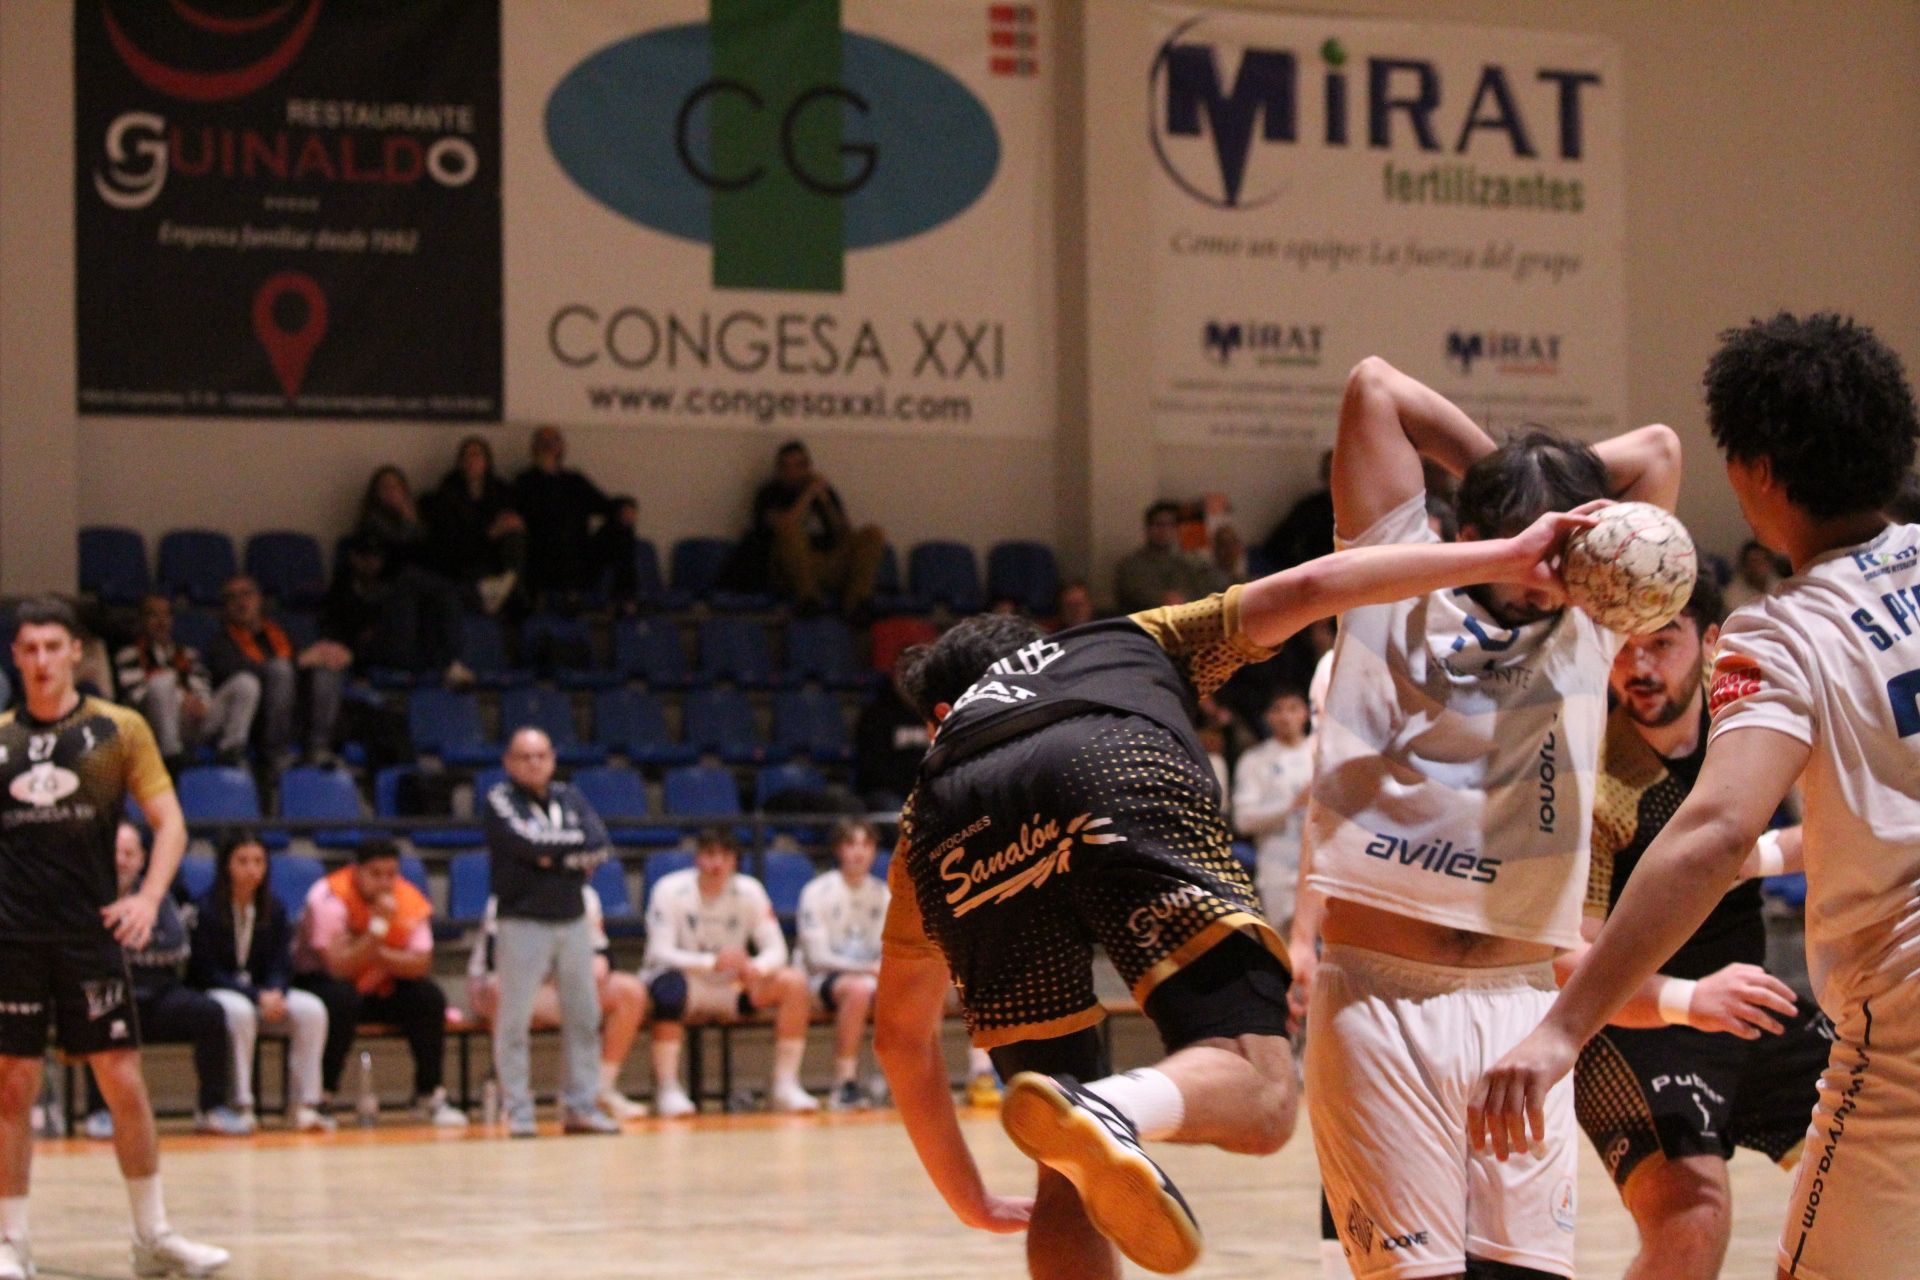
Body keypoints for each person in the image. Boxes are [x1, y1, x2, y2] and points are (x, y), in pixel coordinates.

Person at [873, 496, 1597, 1279]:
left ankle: (1096, 1107)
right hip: (1107, 757)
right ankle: (1112, 1105)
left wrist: (969, 1197)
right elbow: (1317, 585)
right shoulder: (1116, 642)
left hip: (957, 833)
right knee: (1259, 1092)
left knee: (1066, 1164)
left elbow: (900, 1038)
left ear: (946, 712)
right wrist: (1500, 555)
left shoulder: (922, 815)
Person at [1472, 311, 1920, 1280]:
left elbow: (1715, 831)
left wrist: (1558, 1031)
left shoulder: (1785, 633)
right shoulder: (1591, 764)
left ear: (1756, 470)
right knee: (1694, 1213)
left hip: (1894, 1014)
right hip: (1667, 1015)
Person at [1300, 355, 1681, 1280]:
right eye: (1533, 556)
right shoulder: (1391, 585)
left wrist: (1543, 493)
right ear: (1470, 530)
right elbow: (1373, 389)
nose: (1548, 577)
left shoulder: (1588, 615)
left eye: (1560, 557)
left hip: (1521, 1005)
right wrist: (1508, 519)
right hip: (1381, 997)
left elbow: (1659, 451)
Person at [1554, 575, 1831, 1279]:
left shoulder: (1752, 706)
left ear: (1711, 643)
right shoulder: (1591, 776)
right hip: (1633, 1022)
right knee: (1693, 1220)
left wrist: (1748, 858)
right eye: (1623, 646)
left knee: (1876, 1179)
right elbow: (1568, 959)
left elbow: (1849, 823)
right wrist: (1688, 998)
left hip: (1744, 1004)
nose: (1640, 667)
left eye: (1662, 644)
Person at [0, 597, 228, 1279]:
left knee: (122, 1079)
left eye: (52, 647)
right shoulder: (1, 739)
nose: (40, 661)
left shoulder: (118, 728)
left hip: (89, 934)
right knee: (12, 1085)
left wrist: (149, 898)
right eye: (28, 648)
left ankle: (152, 1235)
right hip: (12, 935)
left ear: (76, 652)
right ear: (15, 657)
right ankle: (10, 1241)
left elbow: (172, 825)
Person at [478, 728, 621, 1137]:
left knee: (584, 1015)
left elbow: (599, 843)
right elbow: (523, 842)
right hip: (522, 919)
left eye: (541, 755)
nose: (534, 763)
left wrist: (549, 855)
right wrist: (568, 856)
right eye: (524, 756)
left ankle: (580, 1105)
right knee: (514, 1019)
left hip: (572, 918)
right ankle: (519, 1109)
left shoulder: (570, 797)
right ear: (508, 762)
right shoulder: (500, 799)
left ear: (553, 758)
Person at [81, 823, 250, 1139]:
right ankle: (100, 1110)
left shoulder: (158, 896)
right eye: (115, 852)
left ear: (142, 859)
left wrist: (121, 944)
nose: (121, 860)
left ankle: (212, 1108)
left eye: (129, 853)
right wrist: (136, 942)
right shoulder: (85, 895)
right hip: (111, 992)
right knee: (100, 1012)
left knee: (210, 1013)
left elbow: (176, 946)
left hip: (159, 993)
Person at [639, 828, 819, 1116]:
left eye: (725, 856)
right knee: (668, 989)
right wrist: (712, 962)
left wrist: (754, 967)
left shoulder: (750, 891)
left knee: (794, 983)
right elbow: (660, 951)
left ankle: (784, 1085)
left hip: (732, 987)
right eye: (710, 855)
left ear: (735, 861)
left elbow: (777, 950)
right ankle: (667, 1088)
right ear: (698, 858)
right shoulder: (669, 890)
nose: (717, 864)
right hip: (688, 982)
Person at [291, 838, 466, 1127]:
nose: (385, 883)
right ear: (356, 871)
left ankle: (428, 1094)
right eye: (375, 874)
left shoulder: (409, 899)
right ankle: (322, 1096)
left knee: (428, 997)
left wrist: (368, 951)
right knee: (340, 999)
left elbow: (421, 964)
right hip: (326, 986)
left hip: (378, 987)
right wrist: (379, 931)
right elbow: (336, 967)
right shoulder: (328, 897)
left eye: (391, 874)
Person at [188, 831, 334, 1133]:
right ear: (226, 865)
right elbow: (206, 970)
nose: (252, 869)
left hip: (263, 994)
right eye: (243, 861)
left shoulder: (274, 909)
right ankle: (240, 1103)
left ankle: (304, 1104)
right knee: (238, 1010)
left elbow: (282, 962)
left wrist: (276, 992)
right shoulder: (205, 909)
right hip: (221, 992)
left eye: (259, 861)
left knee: (311, 1010)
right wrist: (256, 995)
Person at [466, 884, 649, 1123]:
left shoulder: (586, 896)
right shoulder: (508, 896)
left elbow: (602, 951)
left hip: (561, 989)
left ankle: (596, 1091)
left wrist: (600, 963)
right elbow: (498, 961)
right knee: (500, 990)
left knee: (629, 991)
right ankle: (513, 1098)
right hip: (513, 988)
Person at [794, 819, 890, 1110]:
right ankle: (844, 1082)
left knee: (913, 988)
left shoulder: (884, 892)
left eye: (866, 844)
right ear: (838, 850)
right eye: (851, 844)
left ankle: (890, 1078)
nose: (859, 852)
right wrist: (866, 969)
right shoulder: (817, 891)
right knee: (859, 990)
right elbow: (818, 958)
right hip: (819, 980)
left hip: (871, 977)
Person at [206, 575, 347, 770]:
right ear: (225, 607)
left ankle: (318, 749)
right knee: (280, 669)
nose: (241, 602)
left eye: (247, 594)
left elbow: (302, 664)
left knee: (325, 670)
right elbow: (238, 675)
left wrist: (331, 655)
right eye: (232, 597)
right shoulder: (220, 642)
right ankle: (275, 754)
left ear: (259, 599)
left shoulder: (279, 633)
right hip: (256, 723)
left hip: (293, 714)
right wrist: (299, 661)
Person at [113, 594, 258, 769]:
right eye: (153, 615)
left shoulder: (188, 654)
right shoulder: (129, 655)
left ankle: (231, 750)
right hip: (156, 723)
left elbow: (202, 686)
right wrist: (182, 699)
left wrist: (201, 703)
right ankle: (172, 756)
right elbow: (136, 696)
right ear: (142, 621)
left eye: (166, 615)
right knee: (162, 681)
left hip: (195, 720)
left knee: (245, 682)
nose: (161, 621)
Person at [749, 440, 886, 615]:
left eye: (799, 466)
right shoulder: (768, 493)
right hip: (789, 568)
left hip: (826, 563)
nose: (792, 472)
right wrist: (808, 495)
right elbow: (784, 524)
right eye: (786, 467)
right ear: (778, 469)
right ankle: (809, 600)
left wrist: (826, 501)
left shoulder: (823, 492)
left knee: (873, 533)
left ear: (808, 468)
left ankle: (857, 603)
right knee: (791, 532)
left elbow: (844, 534)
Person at [320, 534, 470, 686]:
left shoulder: (386, 586)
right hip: (368, 650)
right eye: (367, 557)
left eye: (377, 557)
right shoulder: (341, 589)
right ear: (354, 558)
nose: (373, 562)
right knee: (409, 582)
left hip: (400, 643)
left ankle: (451, 663)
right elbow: (337, 631)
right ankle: (448, 664)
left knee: (439, 596)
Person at [1232, 688, 1315, 932]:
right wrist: (1291, 806)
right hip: (1277, 870)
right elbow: (1243, 820)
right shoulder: (1255, 760)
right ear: (1268, 717)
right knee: (1285, 951)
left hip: (1319, 869)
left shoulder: (1322, 753)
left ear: (1306, 713)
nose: (1286, 717)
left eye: (1292, 708)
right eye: (1278, 710)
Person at [514, 426, 620, 607]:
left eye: (553, 441)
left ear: (562, 447)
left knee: (621, 523)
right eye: (542, 442)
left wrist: (626, 506)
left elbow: (605, 505)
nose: (548, 446)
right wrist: (546, 476)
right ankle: (558, 594)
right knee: (558, 529)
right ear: (534, 448)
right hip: (540, 550)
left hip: (576, 551)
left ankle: (625, 597)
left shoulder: (575, 480)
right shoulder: (524, 481)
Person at [425, 435, 526, 615]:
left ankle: (509, 583)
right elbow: (452, 541)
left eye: (477, 455)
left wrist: (512, 524)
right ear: (460, 462)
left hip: (497, 557)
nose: (472, 460)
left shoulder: (501, 490)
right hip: (464, 559)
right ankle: (508, 587)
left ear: (487, 461)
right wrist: (490, 533)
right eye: (467, 455)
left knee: (515, 532)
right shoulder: (447, 494)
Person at [1112, 501, 1213, 614]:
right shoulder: (1131, 565)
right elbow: (1134, 595)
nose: (1164, 530)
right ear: (1148, 528)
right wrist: (1163, 599)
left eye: (1170, 525)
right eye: (1159, 524)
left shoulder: (1187, 565)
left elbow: (1203, 594)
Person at [854, 672, 933, 810]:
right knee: (893, 807)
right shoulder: (876, 714)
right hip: (888, 792)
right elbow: (871, 766)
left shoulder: (936, 714)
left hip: (928, 790)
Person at [1258, 449, 1335, 573]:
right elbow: (1276, 546)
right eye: (1329, 472)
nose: (1333, 477)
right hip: (1317, 576)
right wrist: (1300, 570)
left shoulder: (1363, 507)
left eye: (1339, 471)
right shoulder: (1310, 508)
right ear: (1323, 475)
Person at [1722, 538, 1784, 611]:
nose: (1760, 566)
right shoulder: (1732, 596)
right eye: (1754, 562)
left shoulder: (1782, 587)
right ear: (1744, 566)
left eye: (1763, 561)